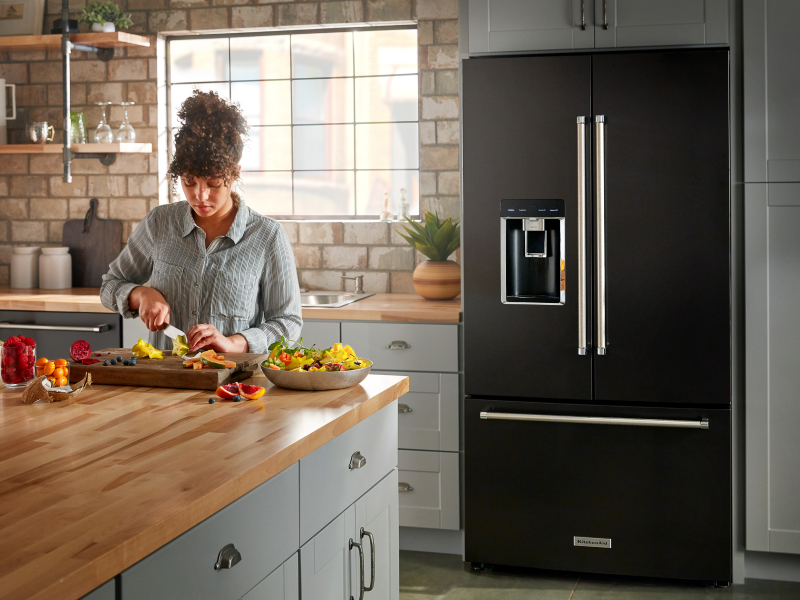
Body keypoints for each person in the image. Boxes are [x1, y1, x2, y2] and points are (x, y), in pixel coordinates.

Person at [101, 90, 302, 354]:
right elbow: (110, 285)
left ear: (235, 173)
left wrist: (235, 342)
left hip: (232, 388)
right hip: (165, 384)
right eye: (189, 181)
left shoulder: (267, 236)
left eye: (214, 183)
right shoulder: (159, 223)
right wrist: (141, 295)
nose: (200, 195)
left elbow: (288, 324)